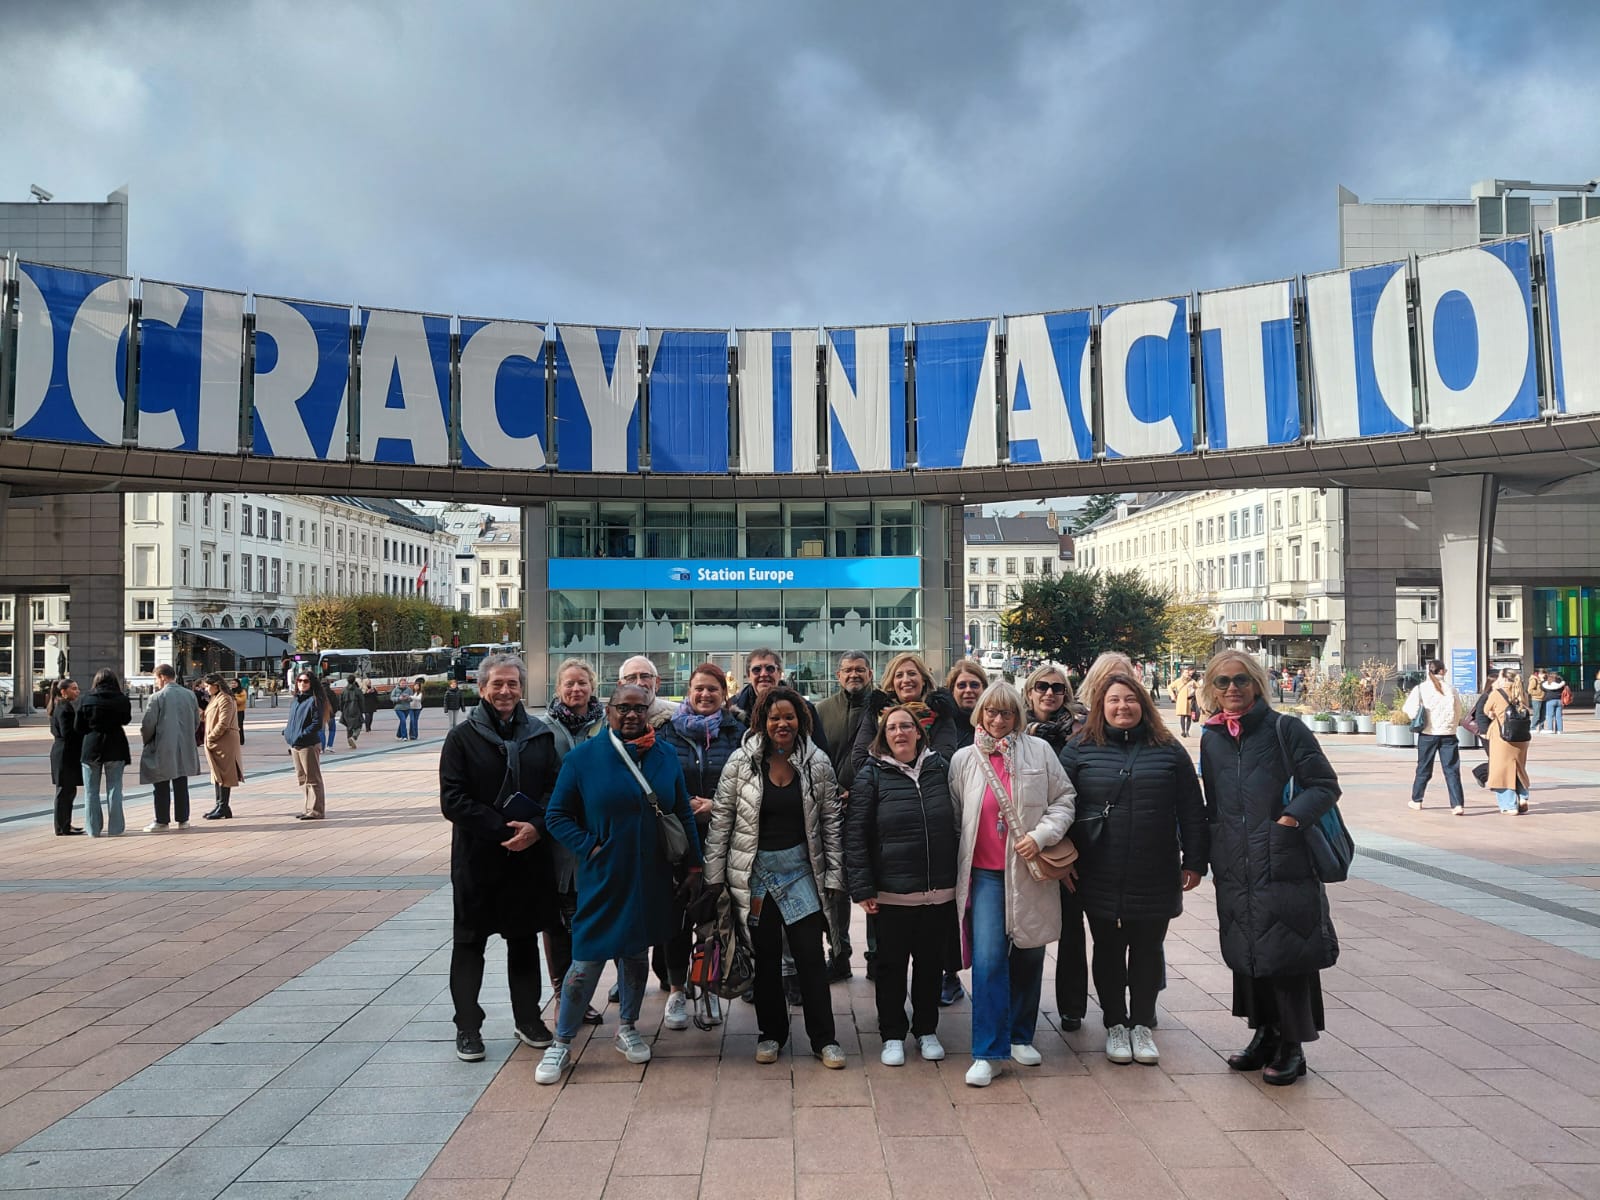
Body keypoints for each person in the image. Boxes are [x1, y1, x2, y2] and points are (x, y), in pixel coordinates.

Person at [538, 685, 702, 1084]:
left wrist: (695, 865)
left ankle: (628, 1026)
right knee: (587, 957)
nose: (631, 715)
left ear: (650, 711)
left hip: (652, 874)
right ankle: (561, 1041)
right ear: (608, 711)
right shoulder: (584, 759)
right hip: (604, 876)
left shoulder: (664, 755)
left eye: (638, 708)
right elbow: (556, 816)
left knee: (634, 953)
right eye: (622, 708)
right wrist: (590, 847)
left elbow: (680, 810)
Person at [1199, 654, 1340, 1086]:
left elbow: (1324, 785)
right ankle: (1264, 1032)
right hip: (1235, 861)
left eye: (1241, 680)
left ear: (1257, 683)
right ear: (1212, 688)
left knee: (1286, 952)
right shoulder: (1213, 737)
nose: (1232, 688)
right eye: (1222, 681)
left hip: (1283, 858)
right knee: (1249, 950)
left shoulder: (1285, 728)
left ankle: (1292, 1046)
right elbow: (1214, 802)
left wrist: (1290, 821)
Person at [1061, 673, 1206, 1066]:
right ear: (1100, 706)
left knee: (1146, 948)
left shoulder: (1168, 750)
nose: (1122, 707)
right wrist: (1062, 861)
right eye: (1113, 700)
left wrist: (1194, 860)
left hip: (1154, 868)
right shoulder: (1079, 749)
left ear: (1143, 703)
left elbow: (1192, 809)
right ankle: (1115, 1024)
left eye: (1130, 699)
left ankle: (1141, 1023)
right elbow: (1059, 807)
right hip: (1098, 868)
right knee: (1107, 948)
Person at [705, 685, 846, 1069]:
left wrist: (834, 875)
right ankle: (771, 1034)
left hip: (803, 871)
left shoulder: (817, 763)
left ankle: (824, 1039)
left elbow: (831, 823)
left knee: (810, 958)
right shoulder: (740, 762)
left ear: (801, 720)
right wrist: (714, 875)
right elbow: (722, 820)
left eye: (789, 717)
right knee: (764, 960)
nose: (782, 723)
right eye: (774, 717)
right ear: (761, 722)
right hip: (756, 877)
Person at [948, 681, 1076, 1087]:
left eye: (1006, 713)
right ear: (980, 714)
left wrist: (1041, 836)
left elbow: (1064, 799)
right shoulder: (964, 759)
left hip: (1028, 869)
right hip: (984, 873)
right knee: (987, 960)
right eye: (991, 712)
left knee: (1029, 952)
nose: (998, 720)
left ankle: (1021, 1034)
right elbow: (956, 814)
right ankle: (988, 1050)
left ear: (1018, 715)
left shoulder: (1040, 751)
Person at [440, 652, 561, 1062]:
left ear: (522, 689)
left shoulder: (539, 735)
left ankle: (528, 1018)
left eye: (512, 684)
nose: (505, 691)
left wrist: (535, 829)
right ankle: (468, 1027)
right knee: (470, 944)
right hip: (478, 860)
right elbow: (452, 800)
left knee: (523, 942)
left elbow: (555, 792)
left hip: (527, 858)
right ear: (482, 688)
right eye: (498, 684)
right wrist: (502, 829)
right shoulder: (462, 738)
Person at [845, 703, 958, 1066]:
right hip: (891, 893)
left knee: (930, 965)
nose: (899, 733)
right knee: (891, 968)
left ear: (918, 732)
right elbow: (856, 834)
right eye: (891, 728)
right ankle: (892, 1033)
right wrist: (862, 888)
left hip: (937, 891)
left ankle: (926, 1030)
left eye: (906, 726)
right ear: (883, 736)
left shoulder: (941, 769)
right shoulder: (871, 775)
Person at [733, 648, 835, 991]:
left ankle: (795, 980)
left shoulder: (802, 709)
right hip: (753, 841)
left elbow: (818, 755)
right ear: (748, 674)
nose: (763, 674)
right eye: (757, 669)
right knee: (761, 934)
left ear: (780, 672)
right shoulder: (735, 710)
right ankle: (767, 992)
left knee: (803, 933)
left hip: (797, 843)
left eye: (770, 668)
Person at [659, 662, 745, 1028]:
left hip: (722, 840)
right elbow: (656, 778)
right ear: (688, 692)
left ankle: (709, 988)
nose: (705, 695)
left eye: (713, 689)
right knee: (676, 919)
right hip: (678, 841)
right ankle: (678, 990)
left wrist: (717, 805)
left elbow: (748, 781)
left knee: (715, 919)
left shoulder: (737, 731)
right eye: (699, 689)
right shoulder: (666, 732)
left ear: (724, 695)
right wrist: (682, 805)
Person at [1019, 663, 1091, 1032]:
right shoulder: (1014, 729)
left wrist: (1066, 852)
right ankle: (1018, 1009)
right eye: (1042, 687)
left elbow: (1078, 795)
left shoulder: (1081, 731)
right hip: (1021, 846)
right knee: (1022, 929)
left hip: (1065, 844)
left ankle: (1072, 1006)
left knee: (1071, 927)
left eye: (1058, 688)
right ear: (1030, 692)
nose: (1050, 693)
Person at [542, 657, 607, 1028]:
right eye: (569, 683)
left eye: (582, 683)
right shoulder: (544, 729)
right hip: (558, 840)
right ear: (558, 688)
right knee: (557, 920)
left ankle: (580, 994)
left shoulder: (607, 725)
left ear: (592, 686)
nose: (575, 689)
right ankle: (561, 995)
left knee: (591, 918)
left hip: (599, 836)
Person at [936, 657, 989, 1003]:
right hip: (946, 827)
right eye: (961, 685)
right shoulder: (941, 723)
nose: (968, 690)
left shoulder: (991, 723)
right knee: (947, 906)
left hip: (985, 830)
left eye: (974, 685)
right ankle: (949, 972)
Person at [851, 652, 959, 779]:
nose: (906, 680)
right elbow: (860, 758)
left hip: (928, 790)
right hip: (887, 792)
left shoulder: (940, 713)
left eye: (912, 674)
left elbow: (945, 759)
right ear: (892, 682)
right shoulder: (876, 713)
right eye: (899, 675)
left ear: (923, 680)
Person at [138, 664, 202, 828]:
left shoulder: (157, 697)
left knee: (161, 783)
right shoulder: (190, 695)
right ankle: (183, 819)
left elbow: (148, 724)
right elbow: (196, 720)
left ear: (162, 677)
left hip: (162, 745)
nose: (156, 682)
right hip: (184, 745)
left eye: (156, 678)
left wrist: (148, 740)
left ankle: (162, 820)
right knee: (181, 782)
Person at [1403, 659, 1465, 814]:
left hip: (1428, 734)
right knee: (1451, 770)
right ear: (1442, 671)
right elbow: (1458, 710)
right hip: (1448, 734)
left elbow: (1409, 709)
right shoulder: (1451, 689)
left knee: (1424, 768)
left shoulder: (1421, 689)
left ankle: (1417, 800)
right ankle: (1457, 804)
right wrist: (1452, 725)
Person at [77, 667, 133, 838]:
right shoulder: (122, 699)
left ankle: (93, 829)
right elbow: (126, 719)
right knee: (115, 788)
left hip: (92, 746)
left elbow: (78, 726)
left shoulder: (87, 699)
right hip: (115, 744)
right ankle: (116, 828)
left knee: (90, 790)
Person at [816, 650, 872, 792]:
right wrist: (838, 790)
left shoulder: (884, 708)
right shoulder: (821, 710)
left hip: (875, 796)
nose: (854, 675)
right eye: (847, 670)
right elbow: (815, 757)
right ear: (838, 675)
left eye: (860, 670)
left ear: (870, 674)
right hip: (833, 795)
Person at [1483, 668, 1532, 815]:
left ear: (1503, 678)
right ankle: (1523, 796)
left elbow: (1486, 710)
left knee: (1502, 771)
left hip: (1503, 737)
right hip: (1521, 737)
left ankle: (1509, 805)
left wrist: (1494, 713)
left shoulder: (1496, 693)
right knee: (1518, 767)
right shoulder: (1521, 693)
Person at [198, 672, 244, 820]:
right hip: (216, 741)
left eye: (207, 686)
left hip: (224, 741)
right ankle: (220, 805)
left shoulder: (226, 699)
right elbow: (209, 716)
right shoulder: (215, 698)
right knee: (217, 773)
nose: (206, 689)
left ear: (216, 685)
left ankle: (223, 806)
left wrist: (211, 737)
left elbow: (223, 722)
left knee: (225, 773)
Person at [284, 669, 330, 820]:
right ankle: (308, 808)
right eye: (299, 681)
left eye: (305, 681)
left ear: (311, 683)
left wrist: (301, 735)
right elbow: (293, 721)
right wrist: (287, 732)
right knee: (302, 778)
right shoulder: (296, 700)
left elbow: (317, 724)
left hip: (308, 744)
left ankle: (317, 810)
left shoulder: (315, 700)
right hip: (295, 744)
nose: (302, 684)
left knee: (313, 778)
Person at [47, 678, 85, 836]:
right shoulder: (63, 708)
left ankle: (65, 824)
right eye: (74, 689)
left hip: (64, 752)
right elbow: (67, 733)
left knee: (68, 790)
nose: (77, 691)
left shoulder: (62, 705)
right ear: (63, 691)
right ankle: (62, 826)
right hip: (65, 753)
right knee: (65, 791)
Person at [617, 656, 677, 729]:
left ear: (657, 683)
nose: (639, 683)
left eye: (645, 676)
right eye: (631, 678)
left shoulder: (679, 714)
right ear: (620, 686)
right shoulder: (608, 720)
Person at [1169, 668, 1198, 737]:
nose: (1187, 674)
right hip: (1181, 700)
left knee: (1189, 716)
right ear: (1182, 673)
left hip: (1190, 700)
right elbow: (1170, 687)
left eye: (1187, 672)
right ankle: (1183, 731)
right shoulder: (1178, 681)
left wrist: (1195, 694)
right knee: (1182, 716)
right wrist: (1172, 695)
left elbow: (1198, 688)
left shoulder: (1192, 681)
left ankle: (1187, 731)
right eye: (1185, 672)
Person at [340, 675, 365, 748]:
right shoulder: (357, 690)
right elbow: (361, 701)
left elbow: (340, 702)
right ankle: (354, 737)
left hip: (346, 710)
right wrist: (362, 710)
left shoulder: (344, 690)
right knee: (359, 725)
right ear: (354, 681)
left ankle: (349, 742)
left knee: (349, 726)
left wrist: (342, 710)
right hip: (356, 709)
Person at [1541, 669, 1566, 735]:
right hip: (1559, 700)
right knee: (1559, 716)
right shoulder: (1561, 683)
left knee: (1549, 716)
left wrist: (1543, 679)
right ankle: (1560, 730)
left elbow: (1542, 687)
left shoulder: (1547, 684)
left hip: (1550, 701)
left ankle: (1550, 729)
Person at [233, 677, 249, 745]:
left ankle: (241, 740)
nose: (233, 684)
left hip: (240, 711)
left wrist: (234, 697)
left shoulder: (242, 691)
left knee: (239, 725)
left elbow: (242, 700)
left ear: (238, 684)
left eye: (235, 683)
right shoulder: (230, 691)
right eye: (232, 683)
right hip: (232, 711)